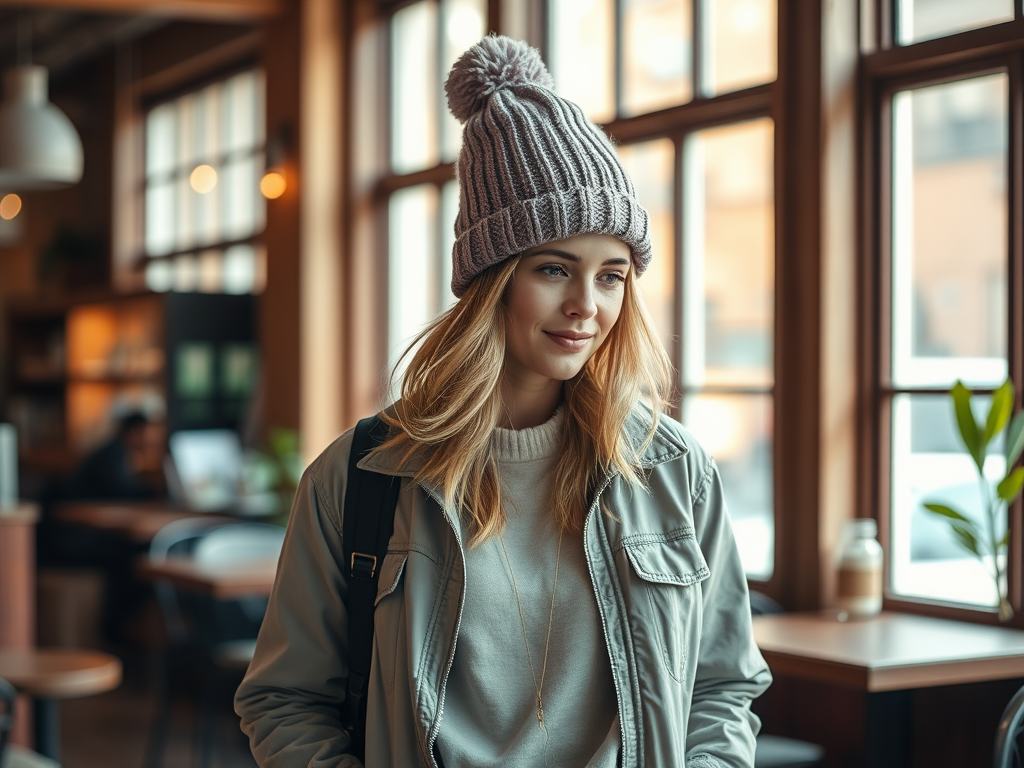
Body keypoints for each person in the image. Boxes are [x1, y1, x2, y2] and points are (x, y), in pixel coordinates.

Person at [235, 36, 771, 768]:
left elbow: (722, 687)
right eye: (555, 268)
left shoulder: (674, 471)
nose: (587, 305)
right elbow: (285, 699)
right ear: (491, 282)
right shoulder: (360, 477)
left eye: (612, 275)